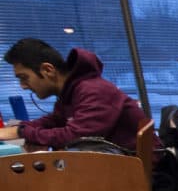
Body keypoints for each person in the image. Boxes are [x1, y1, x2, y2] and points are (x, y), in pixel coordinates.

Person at [0, 38, 152, 153]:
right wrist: (21, 128)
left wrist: (21, 132)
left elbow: (77, 137)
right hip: (112, 166)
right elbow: (54, 121)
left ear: (48, 70)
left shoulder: (93, 90)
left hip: (139, 175)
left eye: (24, 77)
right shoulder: (69, 93)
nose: (23, 86)